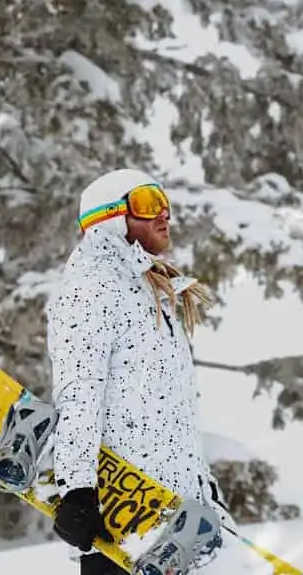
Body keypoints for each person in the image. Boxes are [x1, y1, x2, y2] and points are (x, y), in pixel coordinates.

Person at [45, 168, 236, 574]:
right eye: (148, 204)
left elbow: (169, 409)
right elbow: (80, 391)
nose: (163, 214)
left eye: (164, 204)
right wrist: (76, 490)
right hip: (121, 527)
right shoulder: (91, 287)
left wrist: (202, 487)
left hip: (174, 525)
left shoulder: (149, 289)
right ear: (109, 217)